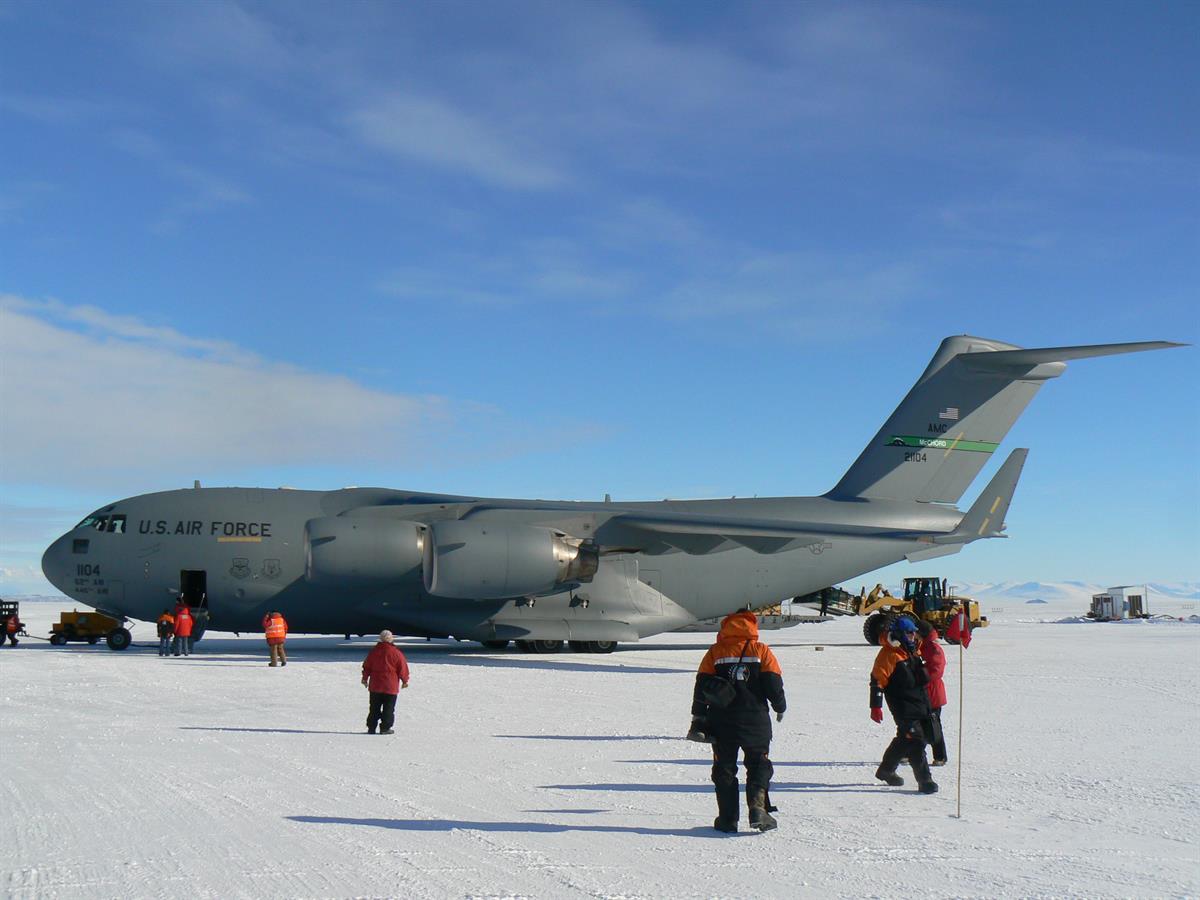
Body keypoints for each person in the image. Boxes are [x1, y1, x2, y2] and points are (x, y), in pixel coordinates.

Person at [689, 609, 787, 833]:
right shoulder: (761, 650)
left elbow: (701, 686)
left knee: (724, 768)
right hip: (755, 720)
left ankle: (727, 819)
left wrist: (698, 716)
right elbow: (774, 683)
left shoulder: (715, 652)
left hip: (722, 722)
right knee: (758, 764)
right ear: (752, 626)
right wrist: (780, 707)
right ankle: (758, 809)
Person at [869, 617, 937, 794]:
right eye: (909, 632)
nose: (913, 636)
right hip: (902, 706)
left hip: (920, 703)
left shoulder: (912, 651)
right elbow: (877, 680)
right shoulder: (889, 654)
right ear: (899, 634)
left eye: (914, 632)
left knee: (904, 738)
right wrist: (875, 706)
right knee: (916, 740)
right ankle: (925, 780)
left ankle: (886, 770)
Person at [361, 630, 410, 734]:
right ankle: (385, 728)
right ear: (391, 639)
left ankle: (371, 728)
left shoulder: (374, 652)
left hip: (375, 685)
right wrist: (405, 680)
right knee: (388, 708)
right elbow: (402, 668)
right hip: (390, 686)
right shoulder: (396, 653)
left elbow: (367, 666)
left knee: (374, 707)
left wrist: (365, 678)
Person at [917, 620, 948, 766]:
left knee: (934, 725)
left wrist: (919, 673)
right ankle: (910, 752)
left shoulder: (934, 648)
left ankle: (940, 756)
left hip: (933, 693)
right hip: (923, 693)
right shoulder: (922, 645)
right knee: (918, 724)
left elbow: (936, 670)